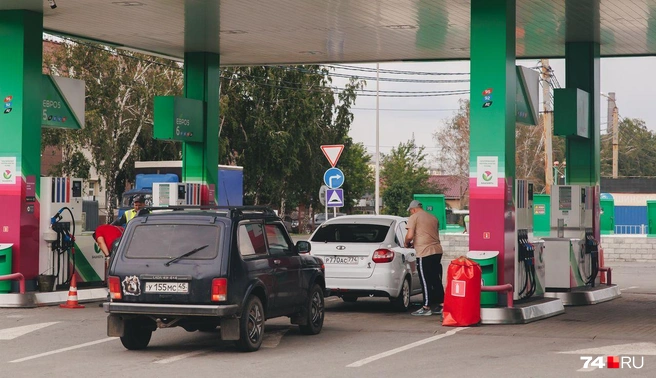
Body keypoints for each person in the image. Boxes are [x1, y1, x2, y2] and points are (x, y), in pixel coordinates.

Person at [404, 200, 445, 316]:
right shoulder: (433, 217)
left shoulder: (414, 217)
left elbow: (410, 235)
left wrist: (406, 243)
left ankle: (426, 307)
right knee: (435, 279)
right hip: (437, 251)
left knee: (425, 280)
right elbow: (427, 235)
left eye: (411, 211)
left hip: (424, 252)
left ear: (413, 209)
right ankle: (442, 304)